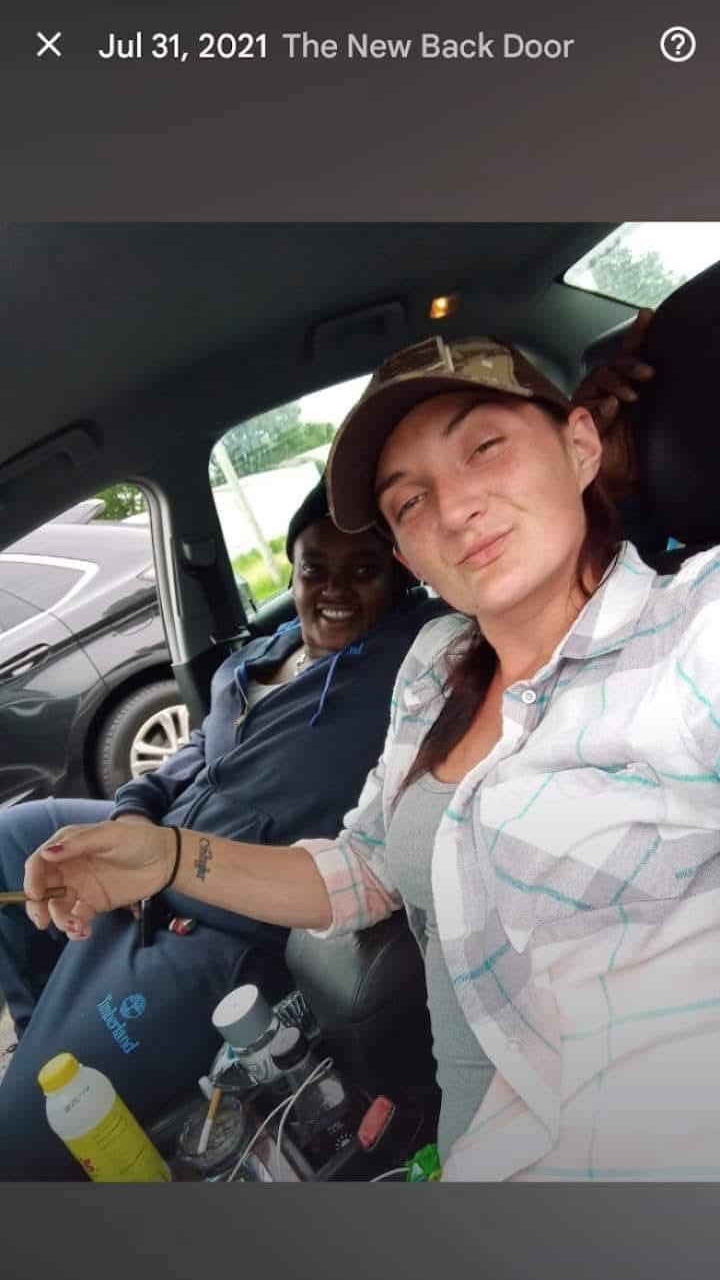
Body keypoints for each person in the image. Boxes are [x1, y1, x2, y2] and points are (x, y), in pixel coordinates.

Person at [24, 325, 720, 1183]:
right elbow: (367, 869)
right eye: (410, 501)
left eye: (485, 446)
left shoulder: (694, 636)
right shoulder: (431, 670)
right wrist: (168, 853)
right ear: (408, 552)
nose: (455, 506)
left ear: (579, 445)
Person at [0, 475, 441, 1178]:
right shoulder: (255, 659)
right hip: (157, 852)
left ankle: (56, 1073)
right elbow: (189, 763)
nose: (335, 589)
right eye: (313, 570)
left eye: (364, 571)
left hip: (222, 919)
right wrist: (130, 818)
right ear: (291, 572)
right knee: (17, 837)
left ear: (403, 578)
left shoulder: (409, 659)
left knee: (16, 1151)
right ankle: (43, 1032)